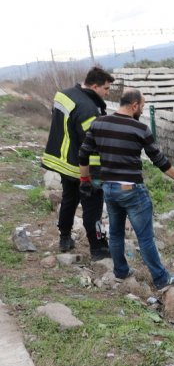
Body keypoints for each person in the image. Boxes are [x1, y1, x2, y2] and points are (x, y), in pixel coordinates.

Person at [79, 88, 174, 290]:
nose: (142, 110)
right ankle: (161, 279)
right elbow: (159, 160)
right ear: (134, 105)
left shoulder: (98, 123)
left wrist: (84, 179)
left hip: (109, 188)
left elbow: (83, 154)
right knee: (145, 237)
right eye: (143, 106)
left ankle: (120, 272)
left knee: (116, 232)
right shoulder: (140, 129)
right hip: (132, 190)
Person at [42, 66, 115, 260]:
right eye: (106, 89)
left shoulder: (64, 95)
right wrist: (93, 174)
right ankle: (98, 248)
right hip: (83, 168)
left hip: (65, 161)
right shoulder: (88, 109)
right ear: (94, 85)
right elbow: (91, 145)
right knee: (93, 208)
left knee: (69, 200)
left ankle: (65, 238)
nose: (107, 94)